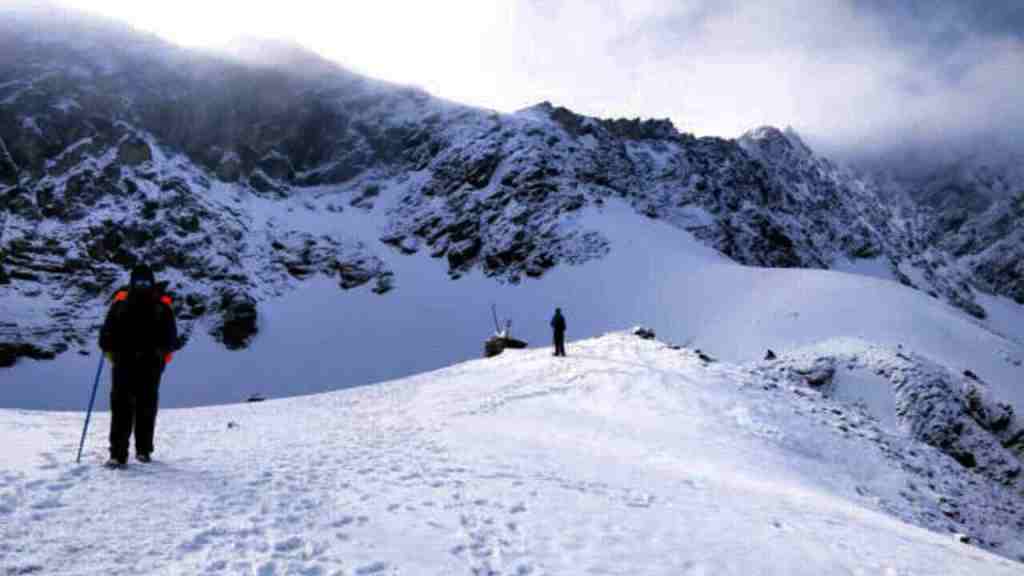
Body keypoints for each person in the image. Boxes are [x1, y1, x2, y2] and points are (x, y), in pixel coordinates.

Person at [98, 264, 178, 468]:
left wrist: (159, 354)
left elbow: (171, 338)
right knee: (121, 408)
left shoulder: (162, 307)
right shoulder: (119, 305)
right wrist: (106, 340)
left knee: (146, 407)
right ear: (132, 282)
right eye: (138, 282)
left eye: (146, 282)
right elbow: (107, 331)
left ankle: (143, 450)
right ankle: (117, 454)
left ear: (152, 283)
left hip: (150, 365)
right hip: (123, 363)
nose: (142, 286)